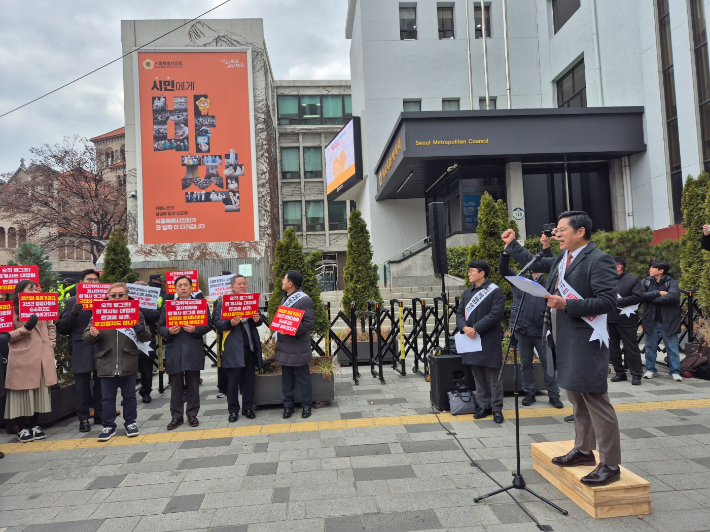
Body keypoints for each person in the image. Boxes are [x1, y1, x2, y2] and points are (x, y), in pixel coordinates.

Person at [502, 211, 621, 487]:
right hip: (563, 338)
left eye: (562, 229)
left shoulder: (598, 259)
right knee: (576, 398)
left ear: (580, 232)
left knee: (595, 400)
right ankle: (583, 449)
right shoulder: (562, 258)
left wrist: (567, 304)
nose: (557, 234)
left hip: (586, 339)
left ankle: (611, 464)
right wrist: (511, 245)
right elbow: (536, 263)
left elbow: (607, 302)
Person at [499, 238, 563, 408]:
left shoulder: (548, 282)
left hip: (542, 329)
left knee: (547, 363)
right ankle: (529, 393)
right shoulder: (520, 279)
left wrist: (547, 247)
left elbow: (555, 266)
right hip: (521, 328)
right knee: (525, 363)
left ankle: (554, 395)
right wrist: (506, 251)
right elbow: (503, 270)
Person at [83, 283, 151, 441]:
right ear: (108, 297)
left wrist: (140, 329)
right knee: (107, 397)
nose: (117, 298)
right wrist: (93, 334)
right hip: (106, 360)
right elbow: (86, 338)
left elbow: (146, 337)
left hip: (128, 359)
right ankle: (108, 425)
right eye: (113, 295)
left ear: (127, 296)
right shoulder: (98, 313)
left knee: (129, 396)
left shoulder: (137, 313)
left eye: (121, 295)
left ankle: (130, 423)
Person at [158, 275, 212, 430]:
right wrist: (168, 330)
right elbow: (160, 328)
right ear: (175, 289)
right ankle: (176, 417)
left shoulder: (200, 305)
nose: (183, 288)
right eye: (180, 285)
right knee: (175, 386)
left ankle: (192, 414)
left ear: (191, 287)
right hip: (174, 349)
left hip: (193, 349)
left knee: (193, 385)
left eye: (185, 285)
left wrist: (196, 329)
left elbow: (209, 324)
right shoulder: (168, 306)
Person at [5, 280, 56, 443]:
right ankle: (22, 428)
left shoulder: (44, 306)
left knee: (38, 392)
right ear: (20, 292)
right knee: (21, 394)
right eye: (30, 289)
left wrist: (51, 344)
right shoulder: (12, 310)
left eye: (36, 288)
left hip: (42, 356)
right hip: (22, 357)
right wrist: (25, 328)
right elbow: (7, 335)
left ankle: (34, 425)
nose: (35, 291)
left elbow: (51, 327)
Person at [456, 260, 506, 423]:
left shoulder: (495, 291)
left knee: (493, 376)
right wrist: (465, 328)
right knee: (477, 375)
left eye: (472, 271)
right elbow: (459, 314)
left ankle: (497, 408)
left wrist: (475, 328)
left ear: (482, 273)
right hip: (470, 339)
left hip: (488, 339)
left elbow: (495, 314)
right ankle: (484, 406)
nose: (469, 274)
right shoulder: (468, 292)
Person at [57, 269, 103, 432]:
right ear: (81, 283)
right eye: (89, 280)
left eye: (95, 280)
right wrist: (74, 314)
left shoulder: (105, 299)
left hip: (102, 346)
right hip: (81, 346)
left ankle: (100, 413)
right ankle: (83, 418)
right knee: (82, 385)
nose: (93, 283)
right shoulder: (72, 302)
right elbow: (62, 328)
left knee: (101, 382)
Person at [214, 275, 264, 421]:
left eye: (244, 284)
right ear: (232, 286)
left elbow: (259, 319)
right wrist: (230, 323)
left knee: (249, 380)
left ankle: (248, 408)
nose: (242, 286)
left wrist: (258, 319)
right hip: (233, 347)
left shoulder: (250, 299)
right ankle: (233, 410)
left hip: (250, 345)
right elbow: (217, 323)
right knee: (233, 381)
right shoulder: (223, 302)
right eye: (239, 284)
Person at [275, 271, 315, 419]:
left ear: (290, 283)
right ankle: (288, 406)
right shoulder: (285, 298)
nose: (282, 281)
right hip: (285, 346)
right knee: (286, 379)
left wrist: (289, 330)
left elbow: (308, 323)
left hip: (298, 345)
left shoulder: (304, 300)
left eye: (284, 279)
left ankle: (307, 406)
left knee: (303, 378)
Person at [642, 260, 682, 381]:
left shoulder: (671, 282)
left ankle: (675, 371)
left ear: (661, 271)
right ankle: (650, 369)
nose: (650, 270)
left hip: (668, 321)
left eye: (652, 268)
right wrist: (658, 293)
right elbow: (641, 295)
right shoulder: (646, 281)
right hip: (651, 320)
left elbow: (674, 296)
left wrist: (654, 299)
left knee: (672, 348)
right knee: (650, 347)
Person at [608, 256, 644, 385]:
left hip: (626, 320)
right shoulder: (607, 280)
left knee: (631, 347)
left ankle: (636, 374)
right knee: (613, 348)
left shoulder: (632, 279)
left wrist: (618, 302)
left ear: (618, 267)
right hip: (609, 319)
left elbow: (638, 296)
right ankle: (619, 373)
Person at [132, 281, 161, 403]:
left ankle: (146, 392)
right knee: (130, 369)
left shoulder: (152, 303)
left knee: (146, 369)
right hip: (129, 340)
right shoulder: (125, 302)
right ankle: (128, 394)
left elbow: (155, 315)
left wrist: (138, 308)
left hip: (147, 340)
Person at [213, 270, 232, 399]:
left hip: (236, 333)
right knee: (223, 361)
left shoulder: (235, 295)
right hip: (223, 334)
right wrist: (217, 302)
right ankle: (223, 387)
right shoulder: (218, 300)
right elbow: (215, 319)